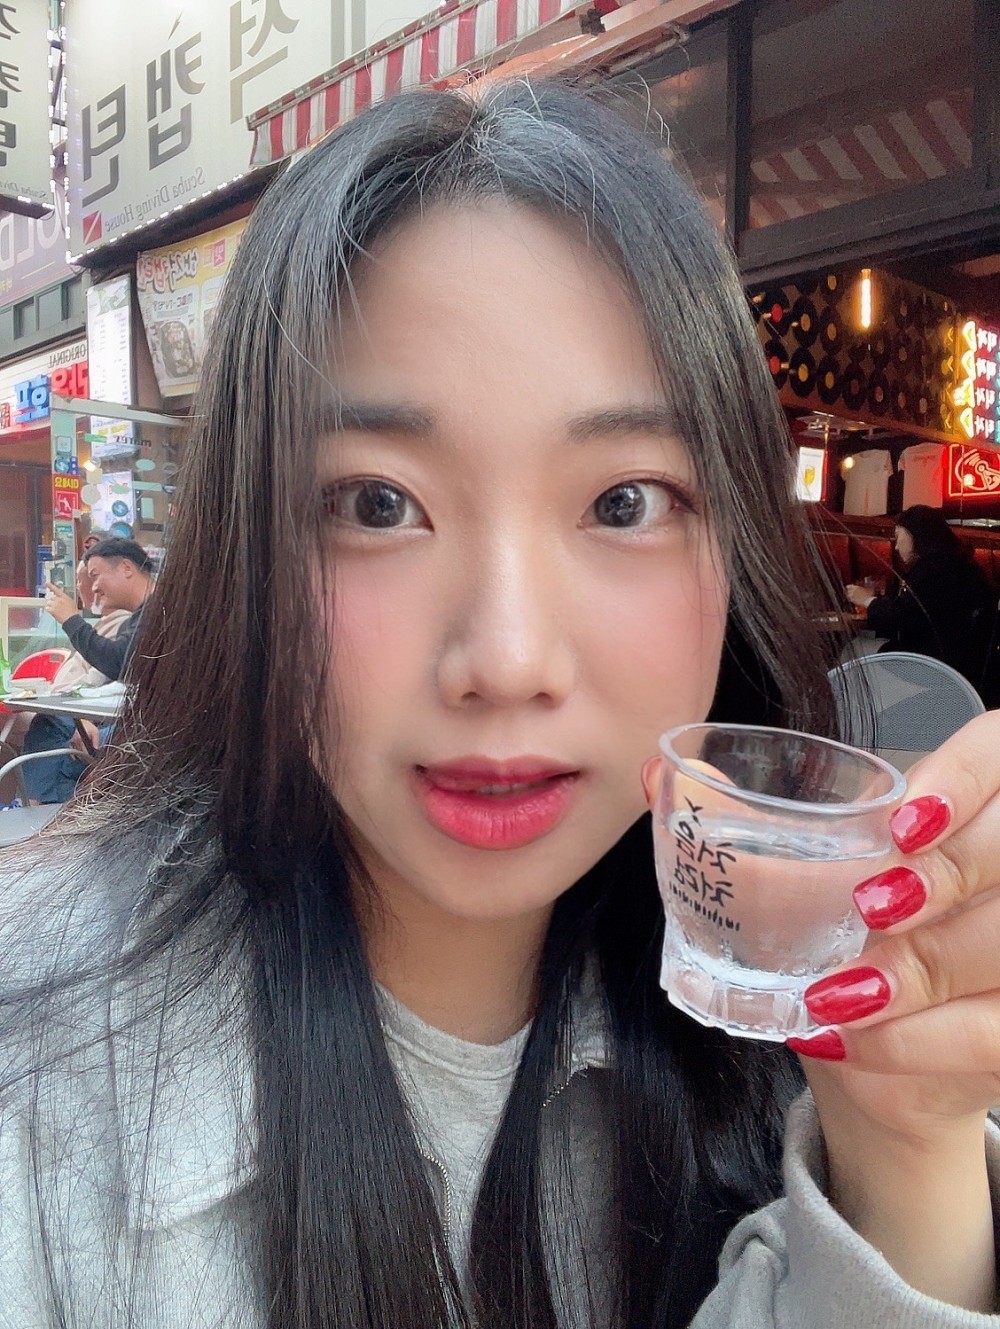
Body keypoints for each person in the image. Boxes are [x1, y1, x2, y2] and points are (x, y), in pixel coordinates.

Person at [2, 80, 1000, 1328]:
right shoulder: (36, 1086)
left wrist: (902, 1147)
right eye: (376, 505)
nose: (509, 659)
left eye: (624, 502)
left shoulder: (777, 1015)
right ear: (247, 546)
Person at [846, 505, 997, 687]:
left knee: (854, 649)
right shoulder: (965, 567)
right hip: (966, 667)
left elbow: (902, 616)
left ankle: (864, 705)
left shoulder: (933, 570)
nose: (896, 547)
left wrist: (868, 601)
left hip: (934, 665)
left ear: (914, 535)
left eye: (898, 536)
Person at [43, 536, 154, 683]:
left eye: (95, 576)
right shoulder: (141, 616)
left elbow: (119, 662)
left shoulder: (159, 611)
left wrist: (71, 621)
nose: (94, 588)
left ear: (126, 568)